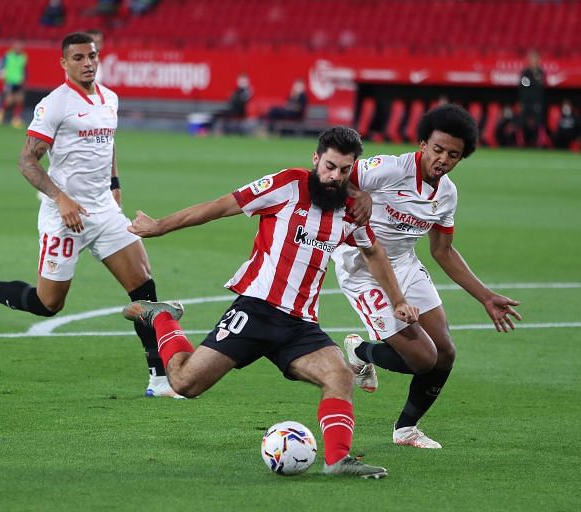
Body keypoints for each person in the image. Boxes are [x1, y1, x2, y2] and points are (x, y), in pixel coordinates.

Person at [121, 127, 420, 478]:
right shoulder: (287, 185)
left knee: (339, 375)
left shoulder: (351, 210)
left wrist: (397, 299)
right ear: (315, 159)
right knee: (184, 383)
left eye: (343, 171)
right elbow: (221, 206)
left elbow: (373, 252)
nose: (334, 177)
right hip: (257, 309)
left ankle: (338, 460)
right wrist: (160, 226)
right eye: (329, 166)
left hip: (300, 325)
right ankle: (163, 318)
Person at [0, 32, 177, 398]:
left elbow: (109, 140)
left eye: (92, 56)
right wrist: (61, 199)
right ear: (64, 63)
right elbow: (27, 161)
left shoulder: (110, 99)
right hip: (64, 215)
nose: (88, 63)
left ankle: (160, 379)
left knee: (145, 288)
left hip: (104, 210)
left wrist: (115, 182)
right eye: (79, 58)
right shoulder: (55, 104)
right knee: (48, 304)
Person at [331, 104, 522, 449]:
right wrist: (357, 194)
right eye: (437, 149)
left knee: (445, 353)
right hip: (360, 265)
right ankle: (361, 353)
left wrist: (486, 296)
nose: (443, 160)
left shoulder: (447, 193)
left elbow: (443, 251)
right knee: (422, 358)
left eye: (453, 155)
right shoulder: (388, 169)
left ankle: (406, 429)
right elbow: (334, 177)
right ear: (422, 144)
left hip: (403, 263)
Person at [0, 41, 28, 128]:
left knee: (20, 100)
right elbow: (0, 66)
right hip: (9, 82)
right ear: (13, 47)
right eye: (16, 46)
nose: (18, 48)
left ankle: (16, 119)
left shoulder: (23, 57)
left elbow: (24, 69)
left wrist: (24, 79)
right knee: (9, 101)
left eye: (19, 46)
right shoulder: (8, 56)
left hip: (19, 82)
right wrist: (0, 73)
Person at [518, 49, 546, 147]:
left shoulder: (540, 72)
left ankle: (540, 142)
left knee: (539, 122)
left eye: (535, 59)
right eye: (531, 59)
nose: (533, 61)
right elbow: (523, 85)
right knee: (522, 122)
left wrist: (533, 80)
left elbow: (541, 85)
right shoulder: (525, 72)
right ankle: (521, 142)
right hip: (526, 101)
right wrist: (534, 81)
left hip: (537, 101)